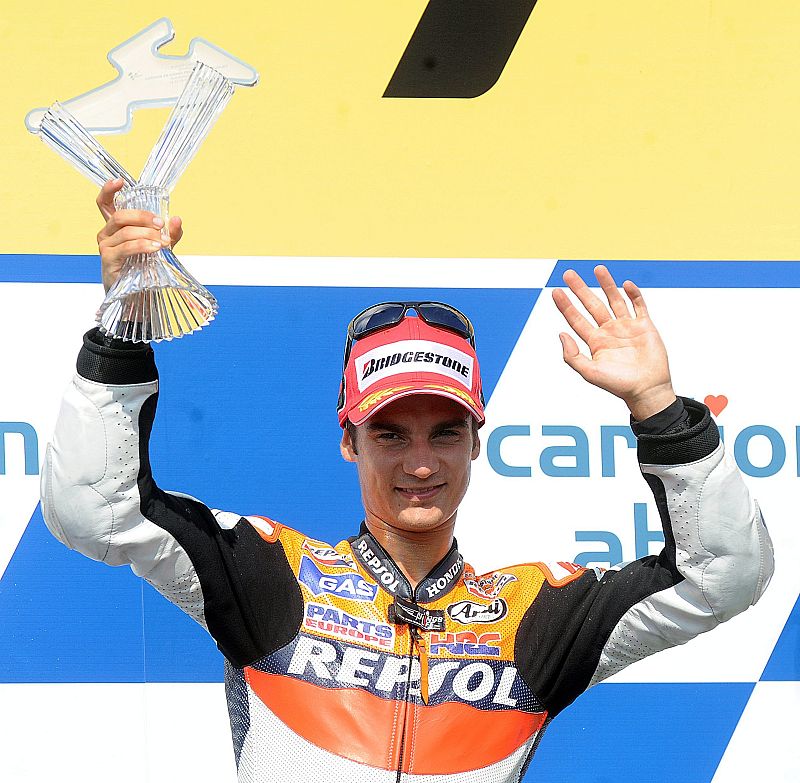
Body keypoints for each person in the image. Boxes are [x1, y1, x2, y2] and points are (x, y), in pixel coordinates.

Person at [40, 179, 774, 782]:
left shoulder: (534, 617)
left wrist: (658, 407)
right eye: (390, 434)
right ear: (348, 440)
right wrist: (118, 329)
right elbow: (95, 509)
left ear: (477, 442)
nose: (421, 464)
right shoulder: (272, 578)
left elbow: (726, 575)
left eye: (444, 432)